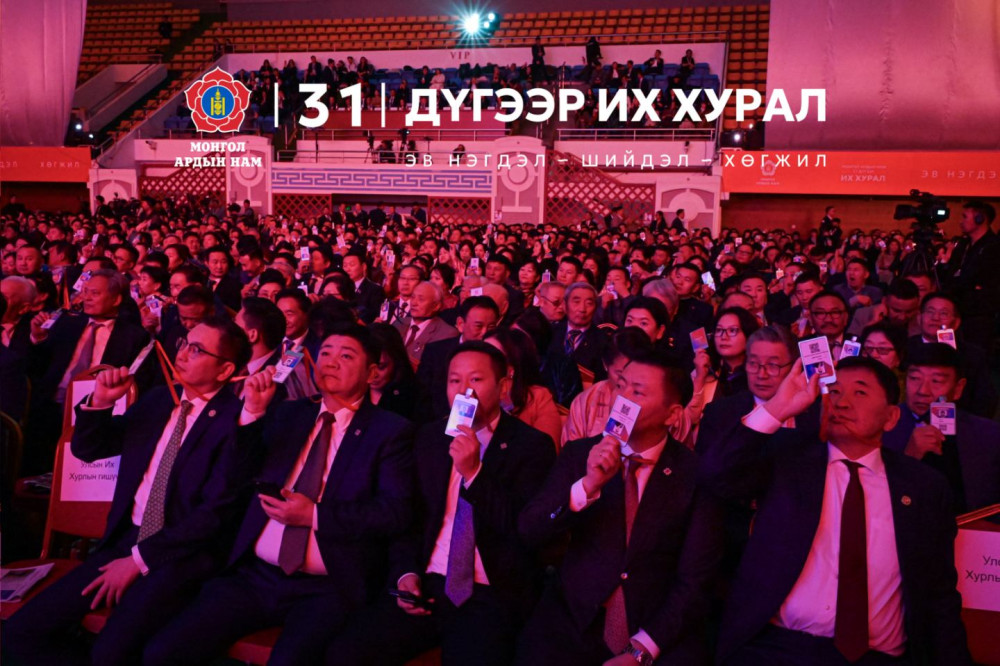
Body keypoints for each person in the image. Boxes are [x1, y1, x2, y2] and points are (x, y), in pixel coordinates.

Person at [143, 323, 415, 666]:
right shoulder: (288, 414)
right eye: (325, 353)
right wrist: (253, 413)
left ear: (373, 372)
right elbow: (234, 479)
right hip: (254, 576)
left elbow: (394, 512)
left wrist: (314, 515)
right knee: (163, 652)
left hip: (327, 586)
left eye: (346, 356)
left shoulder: (390, 432)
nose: (330, 362)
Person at [5, 318, 252, 666]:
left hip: (179, 556)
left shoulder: (237, 422)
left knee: (111, 652)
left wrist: (139, 560)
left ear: (225, 369)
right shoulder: (159, 400)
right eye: (184, 343)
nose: (182, 354)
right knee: (21, 631)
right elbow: (89, 450)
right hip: (125, 541)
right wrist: (101, 402)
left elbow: (212, 517)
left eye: (197, 350)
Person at [701, 356, 972, 664]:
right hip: (780, 648)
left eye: (860, 392)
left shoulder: (923, 487)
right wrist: (777, 407)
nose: (841, 403)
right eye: (834, 391)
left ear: (891, 417)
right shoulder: (788, 459)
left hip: (879, 656)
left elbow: (938, 593)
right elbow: (715, 474)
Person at [324, 341, 554, 665]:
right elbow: (409, 518)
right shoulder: (429, 438)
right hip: (428, 582)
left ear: (503, 386)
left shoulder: (531, 446)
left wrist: (475, 473)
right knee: (345, 654)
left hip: (489, 592)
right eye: (454, 380)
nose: (464, 391)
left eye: (476, 380)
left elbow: (522, 530)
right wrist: (405, 573)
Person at [517, 350, 724, 665]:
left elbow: (696, 580)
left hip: (653, 626)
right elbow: (530, 530)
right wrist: (587, 486)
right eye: (621, 385)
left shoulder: (693, 474)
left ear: (672, 415)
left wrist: (643, 648)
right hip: (573, 620)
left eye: (637, 392)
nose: (621, 399)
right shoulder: (580, 454)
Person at [882, 343, 1000, 514]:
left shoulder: (989, 435)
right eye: (914, 378)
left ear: (958, 388)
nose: (922, 391)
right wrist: (910, 457)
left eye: (936, 381)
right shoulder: (880, 428)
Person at [561, 327, 653, 445]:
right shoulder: (585, 401)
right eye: (621, 376)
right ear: (605, 364)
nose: (629, 386)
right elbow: (571, 450)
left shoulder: (658, 400)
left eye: (638, 375)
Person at [416, 295, 500, 421]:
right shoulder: (435, 352)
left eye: (491, 327)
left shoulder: (498, 355)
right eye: (478, 326)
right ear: (461, 324)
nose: (484, 333)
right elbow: (422, 397)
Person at [485, 327, 562, 447]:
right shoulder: (470, 393)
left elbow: (546, 449)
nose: (481, 361)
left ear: (511, 368)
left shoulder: (538, 397)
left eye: (491, 357)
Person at [943, 200, 1000, 353]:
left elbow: (985, 283)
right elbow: (952, 274)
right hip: (956, 310)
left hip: (979, 317)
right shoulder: (962, 245)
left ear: (980, 219)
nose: (961, 222)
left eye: (965, 217)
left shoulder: (993, 247)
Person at [546, 282, 609, 384]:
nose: (582, 309)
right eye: (576, 302)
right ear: (564, 305)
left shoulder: (603, 341)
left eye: (589, 303)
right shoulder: (549, 332)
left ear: (595, 308)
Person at [393, 281, 459, 363]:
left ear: (436, 306)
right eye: (413, 297)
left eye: (421, 299)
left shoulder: (447, 334)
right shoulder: (399, 323)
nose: (414, 303)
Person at [367, 322, 420, 421]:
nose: (373, 374)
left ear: (396, 361)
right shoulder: (351, 389)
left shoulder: (414, 397)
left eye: (381, 367)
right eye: (367, 366)